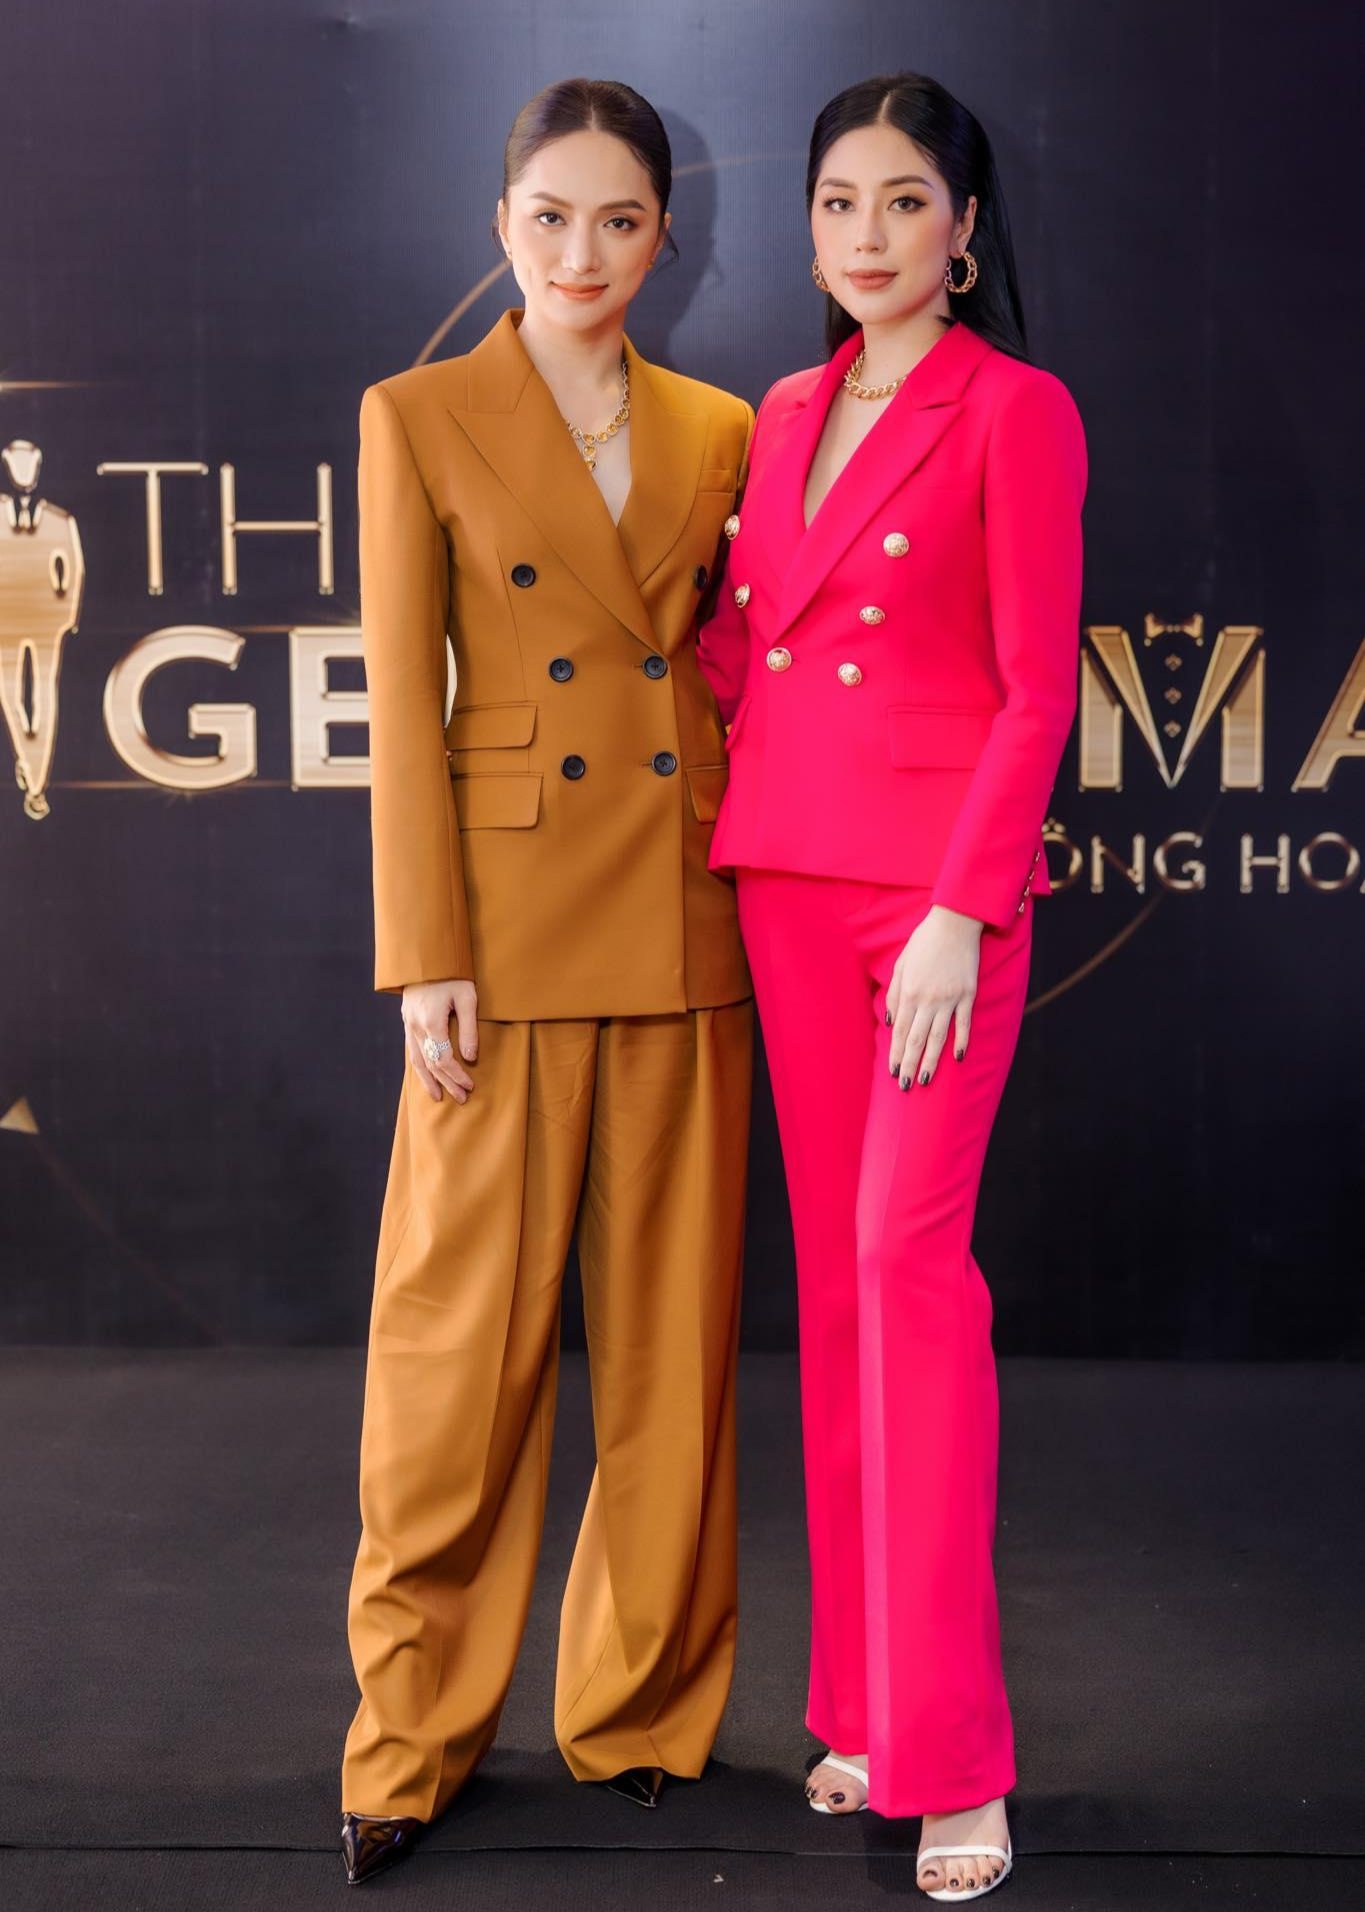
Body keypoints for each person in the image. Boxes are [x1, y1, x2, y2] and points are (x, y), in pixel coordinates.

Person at [339, 77, 756, 1888]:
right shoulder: (417, 412)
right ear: (498, 225)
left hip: (682, 911)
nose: (583, 253)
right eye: (551, 217)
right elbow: (400, 707)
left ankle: (642, 1709)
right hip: (498, 945)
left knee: (671, 1352)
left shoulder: (726, 429)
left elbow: (755, 670)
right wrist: (423, 952)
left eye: (620, 221)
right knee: (455, 1356)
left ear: (665, 239)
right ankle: (408, 1739)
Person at [696, 71, 1087, 1902]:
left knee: (905, 1277)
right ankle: (855, 1701)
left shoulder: (1016, 409)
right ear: (809, 227)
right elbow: (743, 642)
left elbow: (1037, 685)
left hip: (934, 909)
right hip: (786, 874)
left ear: (966, 227)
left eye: (905, 200)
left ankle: (956, 1759)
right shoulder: (784, 410)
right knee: (839, 1301)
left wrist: (962, 905)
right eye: (839, 201)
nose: (868, 234)